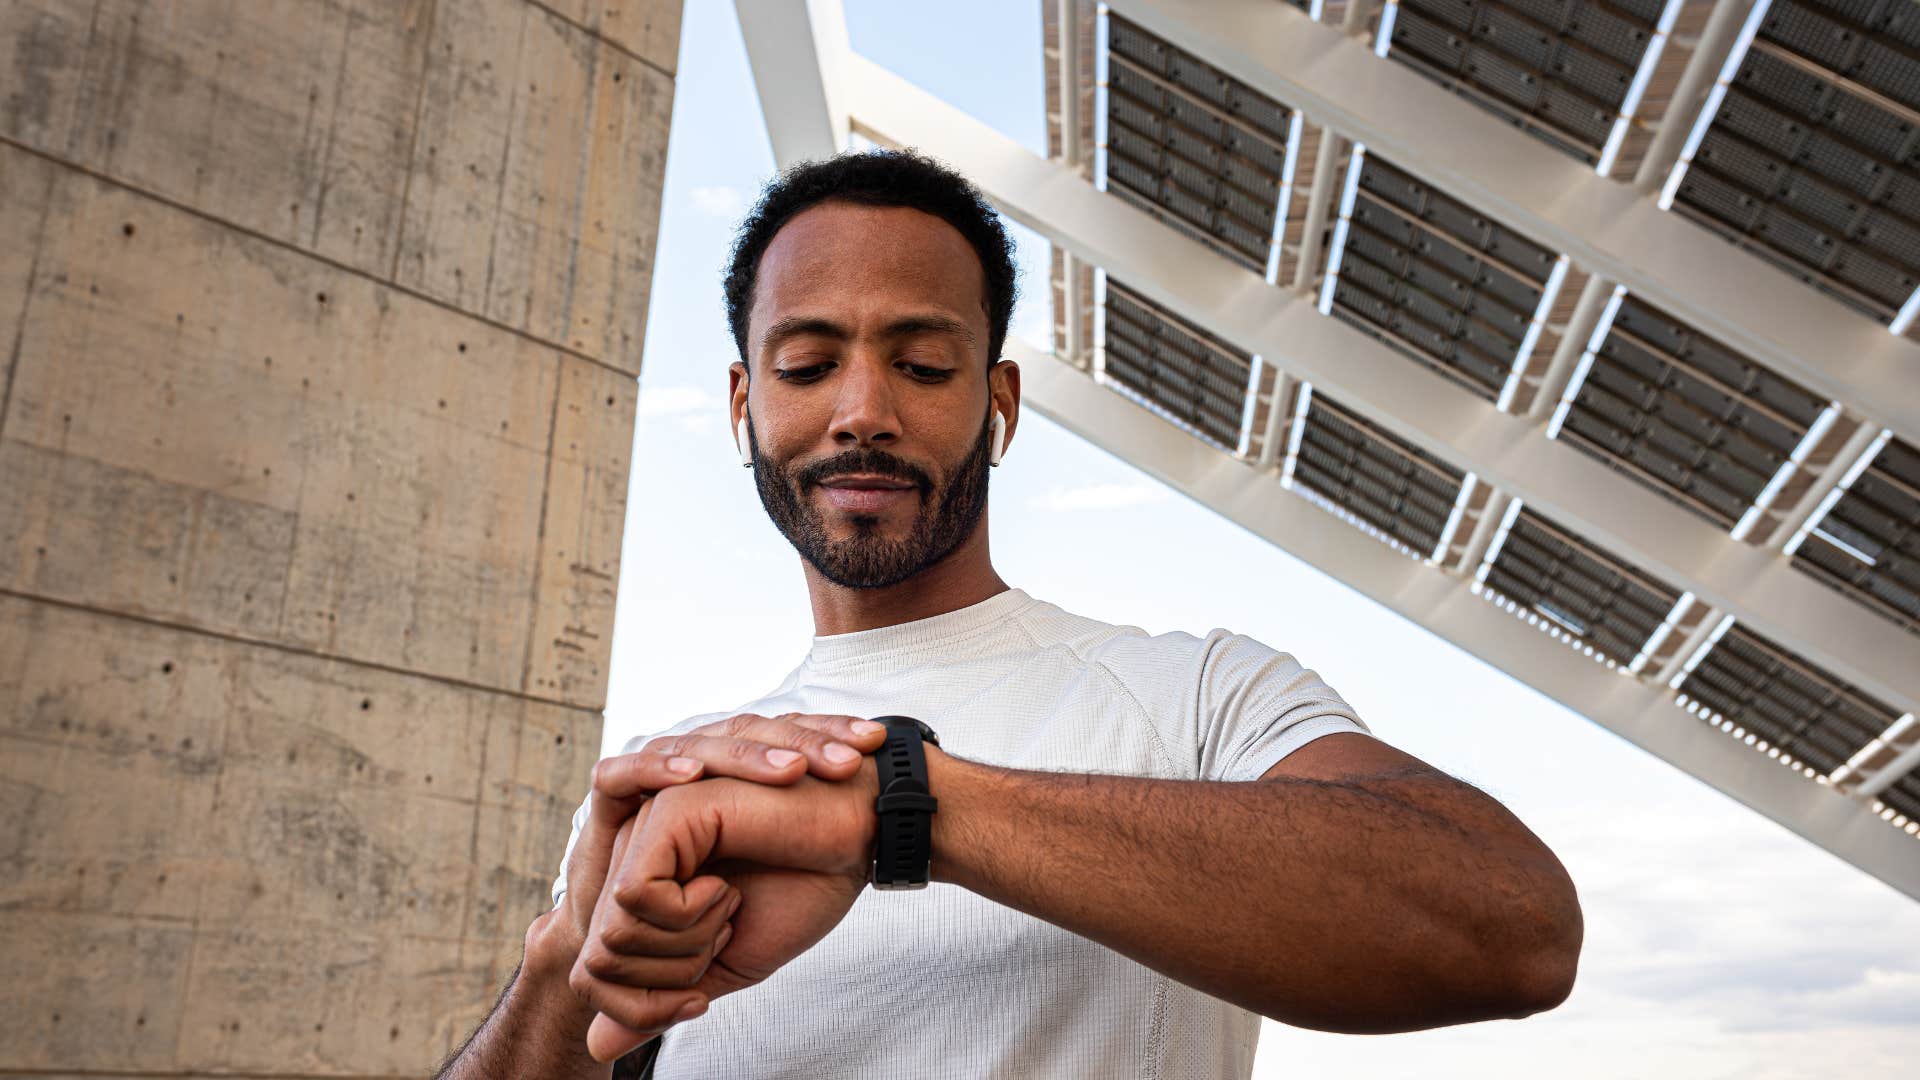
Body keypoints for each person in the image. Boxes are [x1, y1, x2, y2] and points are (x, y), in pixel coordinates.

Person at [436, 150, 1582, 1079]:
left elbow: (1512, 926)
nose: (862, 412)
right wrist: (559, 967)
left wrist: (906, 808)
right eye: (805, 362)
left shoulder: (1200, 697)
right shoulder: (685, 797)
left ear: (1000, 404)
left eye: (924, 365)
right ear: (743, 404)